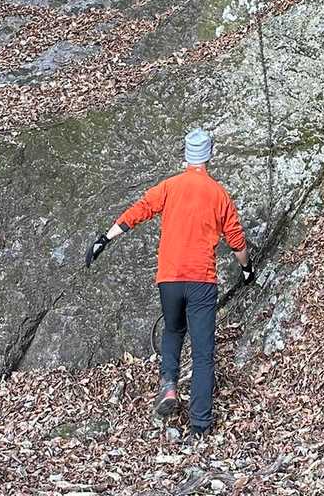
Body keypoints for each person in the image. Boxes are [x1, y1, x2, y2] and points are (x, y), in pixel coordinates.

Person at [85, 127, 253, 436]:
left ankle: (170, 384)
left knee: (173, 330)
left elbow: (140, 210)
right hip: (202, 281)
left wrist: (104, 239)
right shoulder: (218, 194)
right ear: (210, 155)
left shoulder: (170, 187)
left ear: (186, 155)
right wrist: (246, 270)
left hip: (170, 279)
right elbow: (236, 241)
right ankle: (199, 426)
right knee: (202, 354)